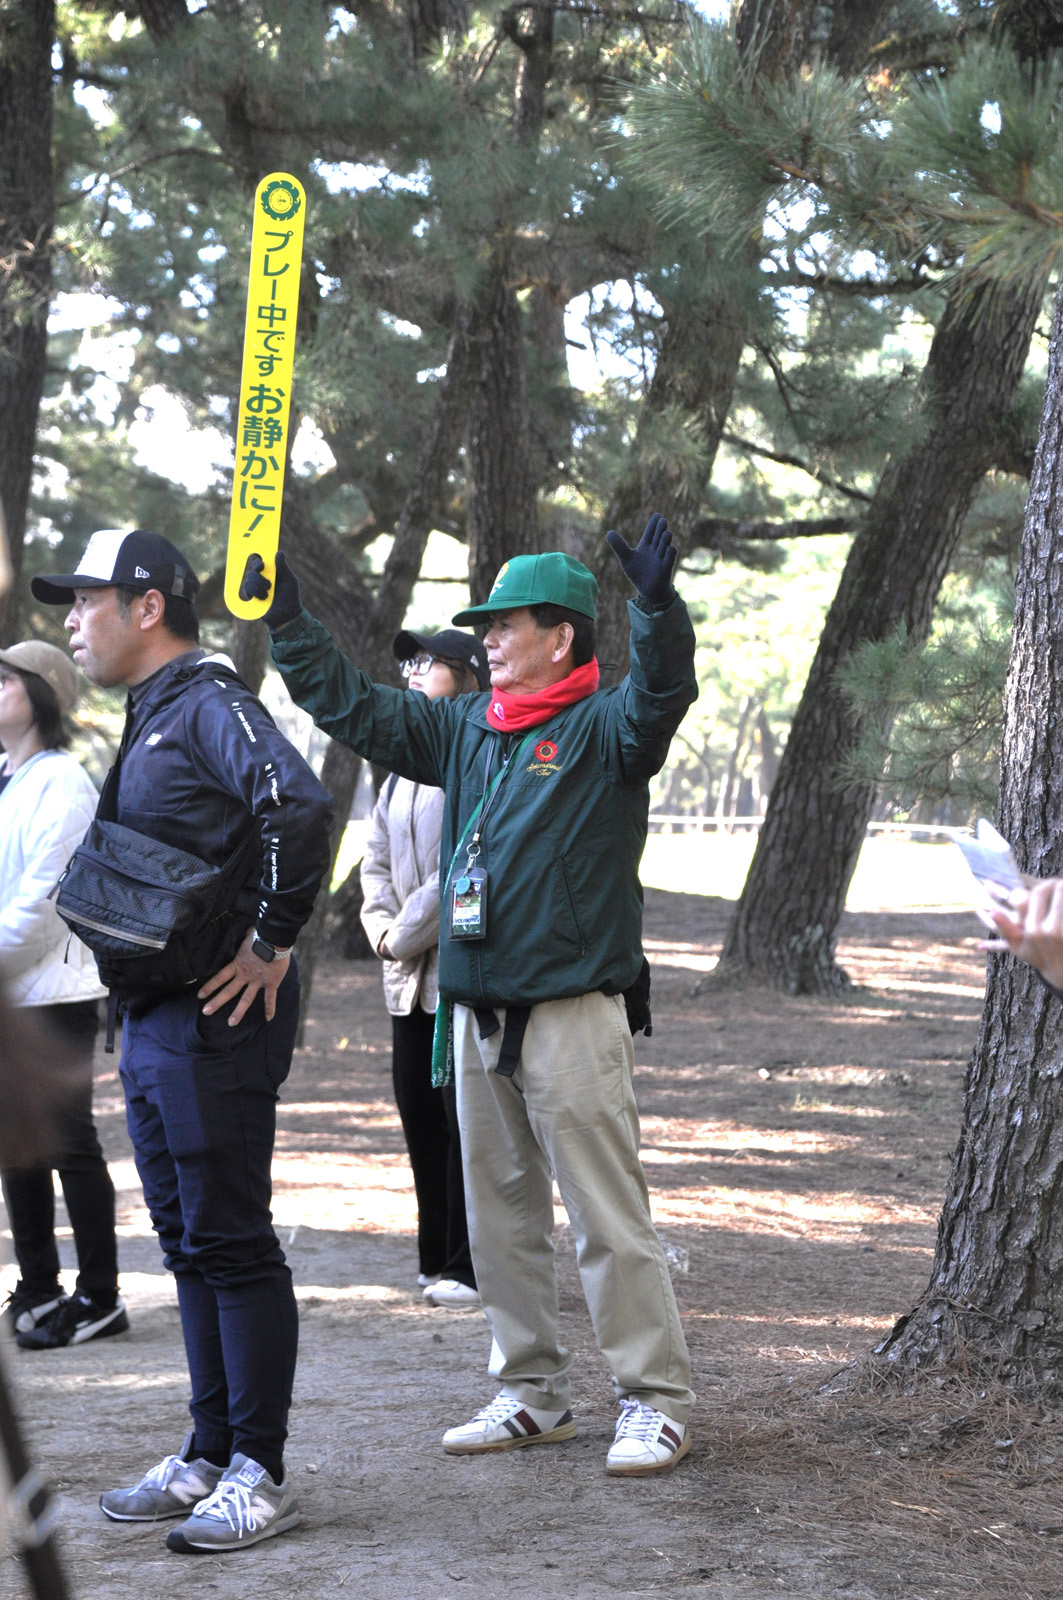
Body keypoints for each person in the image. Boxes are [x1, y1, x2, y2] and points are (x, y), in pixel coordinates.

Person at [264, 513, 698, 1476]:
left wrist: (658, 607)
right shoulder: (463, 726)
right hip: (473, 1014)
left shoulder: (606, 729)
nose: (486, 640)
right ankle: (532, 1392)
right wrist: (290, 624)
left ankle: (653, 1400)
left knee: (605, 1219)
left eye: (505, 625)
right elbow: (357, 709)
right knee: (497, 1218)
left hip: (571, 1010)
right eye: (485, 626)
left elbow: (663, 690)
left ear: (561, 638)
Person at [31, 528, 333, 1553]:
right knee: (188, 1241)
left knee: (231, 1239)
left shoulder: (207, 701)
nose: (73, 621)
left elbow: (298, 802)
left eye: (86, 600)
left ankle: (260, 1471)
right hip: (157, 1015)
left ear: (147, 605)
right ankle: (209, 1451)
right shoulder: (153, 709)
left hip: (219, 1016)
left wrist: (271, 941)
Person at [0, 640, 126, 1350]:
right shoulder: (7, 778)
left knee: (70, 1142)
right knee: (15, 1141)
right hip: (10, 990)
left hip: (55, 991)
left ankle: (101, 1295)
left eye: (5, 679)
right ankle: (39, 1286)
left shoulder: (64, 782)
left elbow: (44, 903)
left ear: (44, 693)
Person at [361, 628, 490, 1310]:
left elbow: (462, 866)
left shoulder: (477, 756)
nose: (413, 671)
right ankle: (434, 1255)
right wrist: (383, 932)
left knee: (461, 1118)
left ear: (467, 676)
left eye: (428, 662)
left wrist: (401, 933)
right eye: (409, 661)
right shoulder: (401, 769)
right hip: (405, 976)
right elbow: (373, 863)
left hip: (457, 970)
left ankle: (471, 1265)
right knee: (418, 1113)